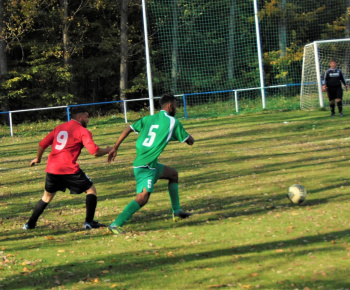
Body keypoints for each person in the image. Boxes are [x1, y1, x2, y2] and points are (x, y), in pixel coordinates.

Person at [107, 93, 195, 235]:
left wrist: (115, 147)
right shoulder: (173, 122)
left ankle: (177, 211)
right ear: (170, 106)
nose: (177, 109)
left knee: (173, 175)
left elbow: (128, 128)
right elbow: (189, 141)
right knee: (143, 198)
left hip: (151, 164)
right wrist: (189, 138)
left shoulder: (148, 119)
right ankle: (116, 224)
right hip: (145, 166)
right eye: (176, 106)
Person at [23, 107, 112, 230]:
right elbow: (94, 152)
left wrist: (38, 158)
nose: (88, 120)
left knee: (46, 197)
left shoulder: (60, 127)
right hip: (68, 168)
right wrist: (108, 150)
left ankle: (29, 224)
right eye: (86, 117)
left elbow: (42, 144)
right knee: (91, 190)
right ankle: (89, 222)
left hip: (52, 168)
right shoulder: (82, 131)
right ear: (79, 118)